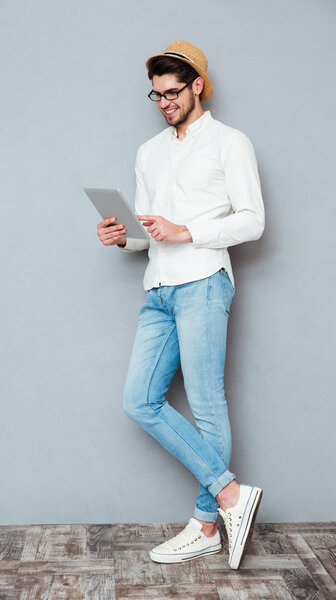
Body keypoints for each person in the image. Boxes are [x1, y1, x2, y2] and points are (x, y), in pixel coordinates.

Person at [96, 40, 265, 570]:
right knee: (139, 401)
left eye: (173, 92)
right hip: (159, 288)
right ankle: (232, 495)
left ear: (197, 87)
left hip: (205, 281)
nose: (164, 101)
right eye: (157, 94)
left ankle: (205, 523)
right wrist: (124, 236)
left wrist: (187, 229)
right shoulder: (149, 152)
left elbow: (252, 220)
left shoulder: (230, 143)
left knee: (206, 403)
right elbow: (151, 233)